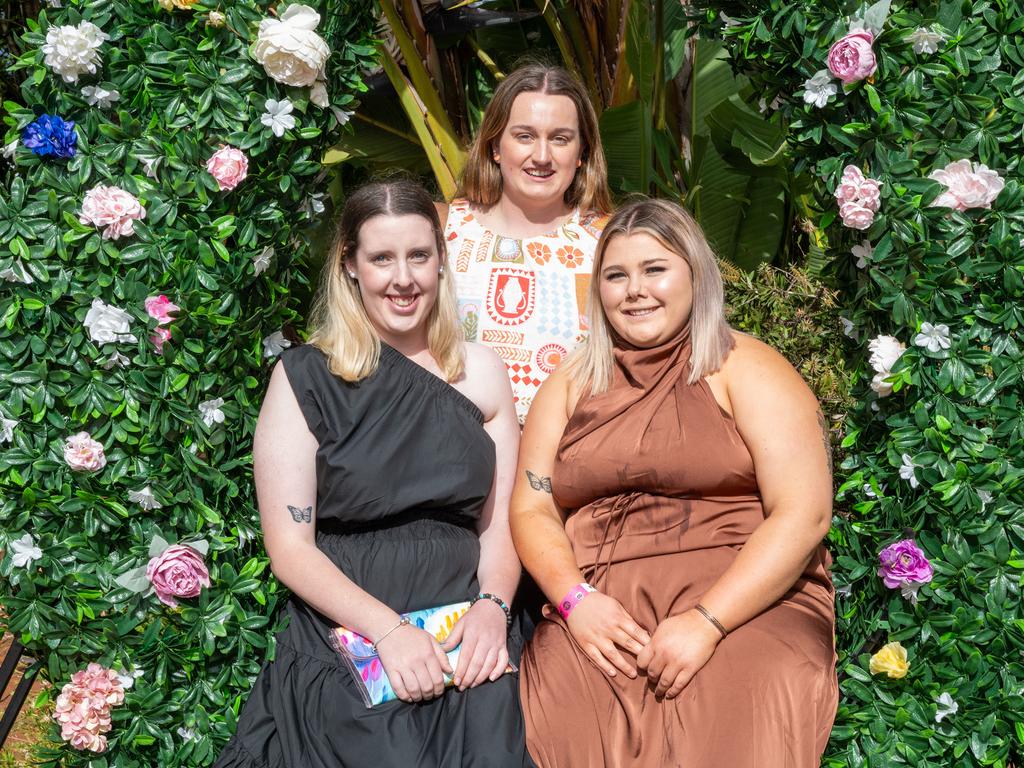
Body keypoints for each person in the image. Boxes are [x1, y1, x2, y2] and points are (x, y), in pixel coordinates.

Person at [510, 198, 838, 767]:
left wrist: (708, 622)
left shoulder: (748, 368)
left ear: (694, 274)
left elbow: (803, 512)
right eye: (616, 275)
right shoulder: (567, 384)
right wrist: (574, 601)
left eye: (654, 269)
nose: (634, 290)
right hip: (600, 611)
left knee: (742, 689)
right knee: (568, 695)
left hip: (744, 602)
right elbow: (532, 508)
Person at [215, 180, 532, 768]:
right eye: (382, 258)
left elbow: (500, 523)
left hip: (469, 622)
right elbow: (290, 548)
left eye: (418, 255)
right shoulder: (305, 377)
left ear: (441, 258)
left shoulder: (483, 373)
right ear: (351, 267)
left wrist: (494, 608)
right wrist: (388, 633)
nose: (403, 278)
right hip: (352, 626)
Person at [439, 64, 613, 424]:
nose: (542, 156)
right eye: (524, 136)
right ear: (495, 146)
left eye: (561, 138)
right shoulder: (442, 229)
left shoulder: (611, 240)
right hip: (451, 454)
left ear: (582, 153)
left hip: (568, 456)